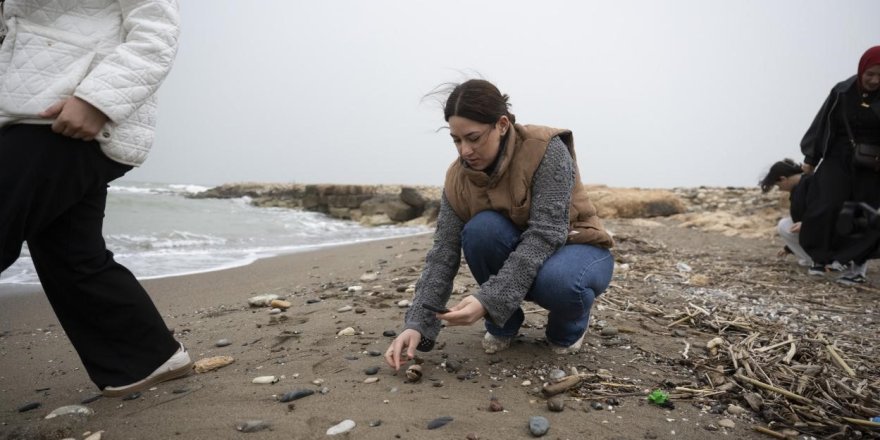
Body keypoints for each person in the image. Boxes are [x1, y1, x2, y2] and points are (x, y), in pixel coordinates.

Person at [0, 0, 191, 397]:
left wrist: (96, 101)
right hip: (26, 112)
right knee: (70, 254)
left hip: (66, 115)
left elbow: (156, 29)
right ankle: (144, 359)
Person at [385, 79, 614, 370]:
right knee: (481, 230)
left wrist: (487, 299)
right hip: (518, 254)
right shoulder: (457, 179)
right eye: (457, 140)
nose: (465, 150)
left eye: (474, 137)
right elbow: (443, 252)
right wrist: (417, 323)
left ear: (502, 124)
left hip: (577, 247)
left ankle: (568, 329)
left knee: (560, 281)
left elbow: (547, 233)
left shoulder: (545, 149)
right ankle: (503, 323)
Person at [798, 46, 880, 286]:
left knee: (861, 212)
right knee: (824, 204)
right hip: (838, 156)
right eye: (870, 74)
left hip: (872, 163)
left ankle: (855, 265)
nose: (875, 80)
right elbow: (823, 123)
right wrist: (811, 159)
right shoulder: (842, 91)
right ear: (861, 70)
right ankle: (819, 257)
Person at [759, 159, 814, 270]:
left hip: (822, 228)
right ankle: (812, 258)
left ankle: (817, 260)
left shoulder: (809, 184)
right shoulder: (800, 187)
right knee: (785, 223)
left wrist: (808, 223)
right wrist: (789, 248)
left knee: (784, 225)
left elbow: (821, 209)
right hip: (814, 226)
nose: (780, 189)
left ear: (783, 179)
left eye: (778, 186)